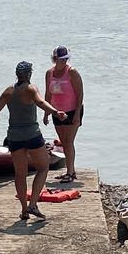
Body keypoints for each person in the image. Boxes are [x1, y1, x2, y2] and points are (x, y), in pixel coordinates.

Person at [0, 61, 59, 222]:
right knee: (43, 168)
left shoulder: (8, 91)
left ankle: (24, 210)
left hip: (14, 137)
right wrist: (55, 112)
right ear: (29, 74)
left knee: (20, 174)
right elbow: (40, 102)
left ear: (17, 74)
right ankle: (33, 204)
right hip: (32, 135)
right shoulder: (31, 88)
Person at [44, 47, 84, 184]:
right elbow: (48, 94)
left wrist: (77, 115)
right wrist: (46, 113)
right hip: (56, 112)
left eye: (66, 59)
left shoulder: (72, 72)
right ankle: (69, 170)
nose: (64, 61)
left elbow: (80, 94)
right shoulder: (49, 73)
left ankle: (70, 172)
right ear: (55, 59)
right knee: (63, 141)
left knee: (68, 142)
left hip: (72, 111)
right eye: (61, 59)